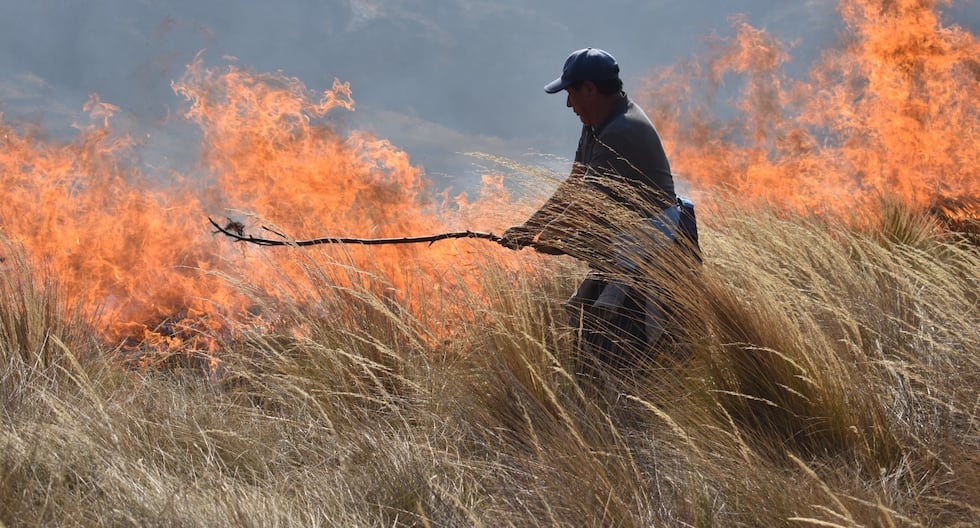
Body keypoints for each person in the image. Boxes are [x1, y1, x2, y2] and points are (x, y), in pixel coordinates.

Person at [499, 47, 695, 373]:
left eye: (571, 93)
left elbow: (589, 206)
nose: (567, 104)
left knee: (627, 347)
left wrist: (552, 239)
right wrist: (528, 228)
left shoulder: (622, 130)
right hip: (627, 250)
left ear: (589, 89)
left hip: (654, 254)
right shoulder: (595, 125)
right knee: (589, 318)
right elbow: (573, 186)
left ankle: (624, 416)